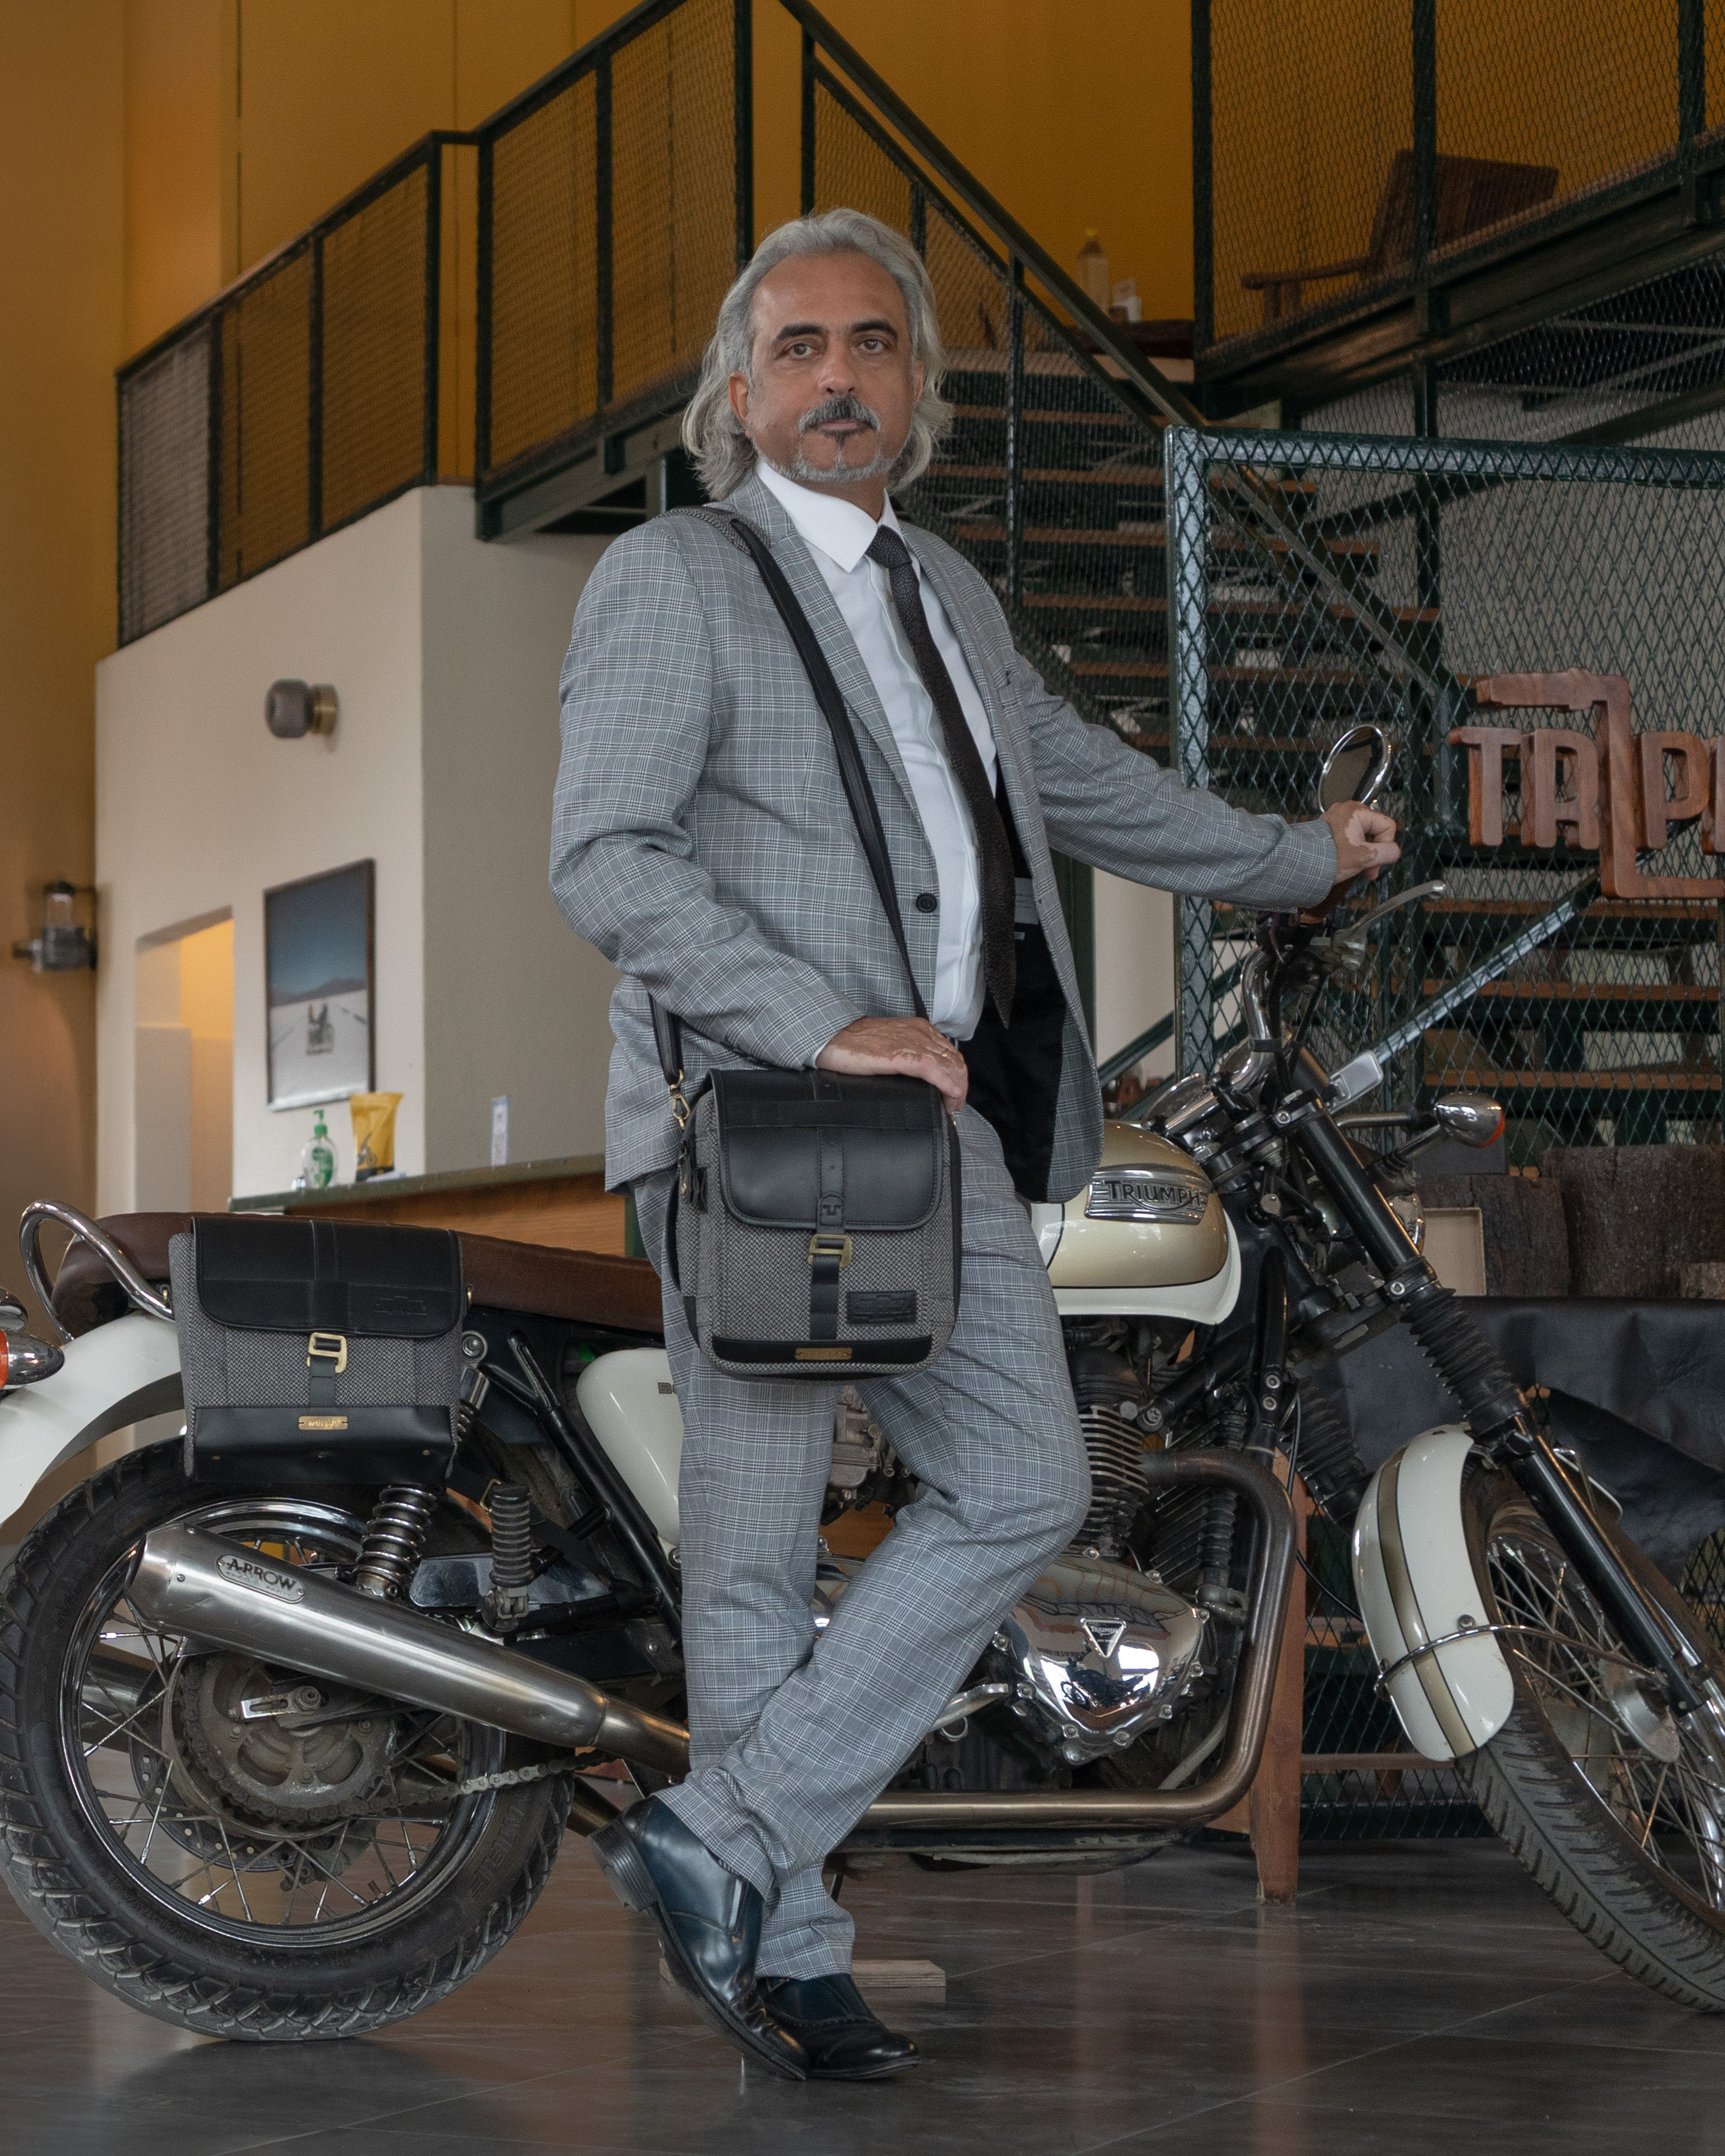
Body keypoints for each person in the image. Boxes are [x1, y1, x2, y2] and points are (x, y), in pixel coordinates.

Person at [550, 208, 1398, 2084]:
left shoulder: (946, 587)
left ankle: (725, 1839)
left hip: (943, 1135)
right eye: (798, 349)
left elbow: (1078, 781)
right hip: (760, 1126)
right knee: (759, 1560)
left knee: (1017, 1484)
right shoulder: (680, 576)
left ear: (915, 385)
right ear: (738, 390)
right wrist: (816, 1014)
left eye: (871, 345)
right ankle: (794, 1945)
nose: (837, 376)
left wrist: (1290, 857)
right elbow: (606, 853)